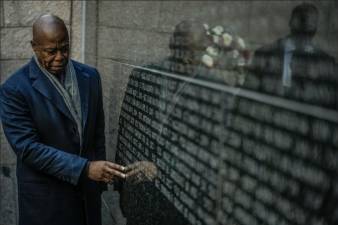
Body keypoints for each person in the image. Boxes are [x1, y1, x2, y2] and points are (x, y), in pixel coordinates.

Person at [0, 14, 126, 225]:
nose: (60, 57)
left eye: (65, 48)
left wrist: (101, 182)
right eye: (51, 51)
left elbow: (97, 133)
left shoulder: (91, 76)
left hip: (87, 199)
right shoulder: (14, 89)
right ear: (34, 47)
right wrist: (86, 168)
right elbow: (28, 148)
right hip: (47, 204)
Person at [251, 3, 337, 109]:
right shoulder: (264, 56)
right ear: (291, 22)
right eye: (302, 19)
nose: (304, 22)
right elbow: (249, 96)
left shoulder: (327, 64)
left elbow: (331, 102)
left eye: (308, 20)